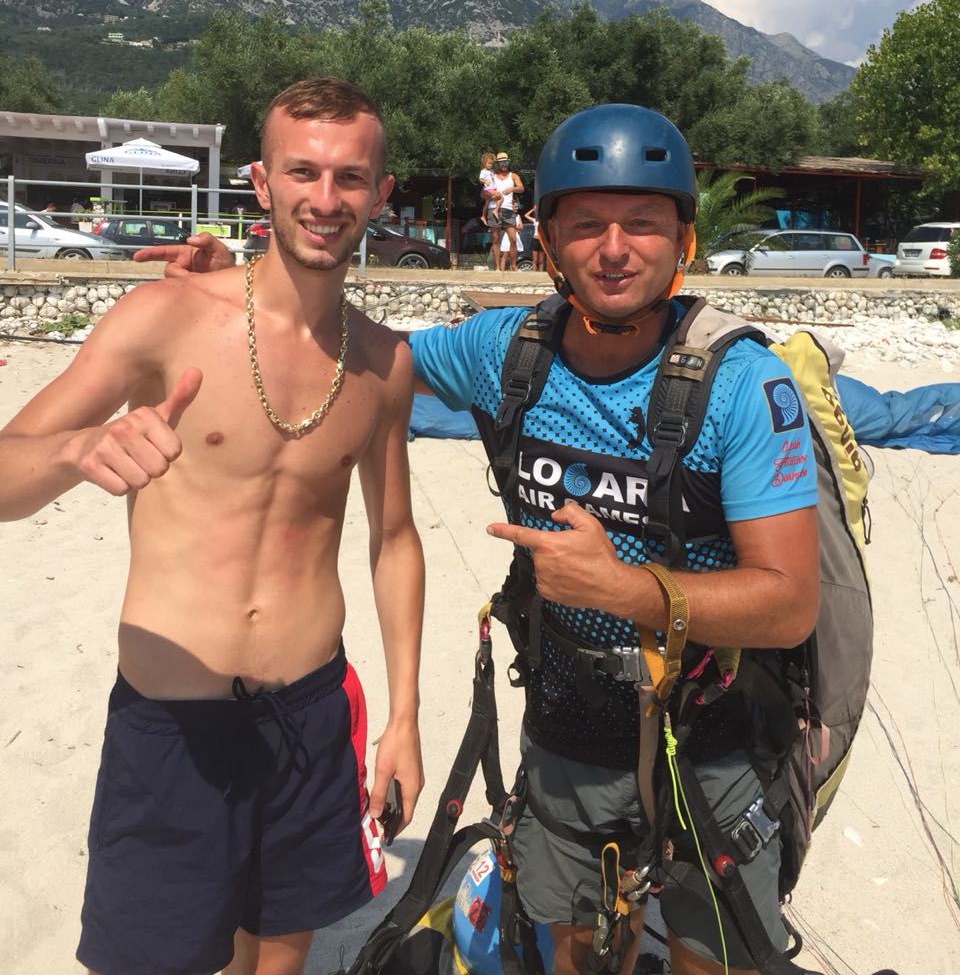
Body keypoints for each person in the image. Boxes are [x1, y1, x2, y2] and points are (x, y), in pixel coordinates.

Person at [133, 104, 819, 975]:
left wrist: (626, 590)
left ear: (682, 237)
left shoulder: (741, 385)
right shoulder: (510, 351)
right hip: (566, 727)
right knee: (567, 951)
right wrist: (241, 292)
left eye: (643, 223)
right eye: (587, 224)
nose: (615, 249)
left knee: (711, 959)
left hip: (712, 736)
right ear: (548, 240)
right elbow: (357, 356)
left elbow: (789, 604)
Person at [0, 77, 425, 975]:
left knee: (276, 960)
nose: (325, 198)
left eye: (350, 177)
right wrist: (78, 450)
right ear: (261, 182)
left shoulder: (386, 363)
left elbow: (394, 540)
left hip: (311, 715)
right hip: (172, 724)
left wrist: (404, 718)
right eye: (302, 172)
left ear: (381, 193)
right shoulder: (164, 318)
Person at [490, 152, 524, 271]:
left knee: (513, 239)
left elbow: (521, 188)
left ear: (508, 163)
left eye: (506, 162)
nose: (504, 164)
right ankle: (497, 267)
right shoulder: (492, 176)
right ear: (498, 164)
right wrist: (490, 196)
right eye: (501, 162)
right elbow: (483, 193)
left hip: (509, 210)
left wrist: (511, 189)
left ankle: (513, 265)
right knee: (495, 239)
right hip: (494, 209)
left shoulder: (513, 176)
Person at [479, 152, 503, 270]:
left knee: (487, 202)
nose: (490, 165)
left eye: (491, 163)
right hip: (489, 189)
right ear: (484, 163)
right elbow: (480, 179)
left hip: (491, 188)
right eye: (489, 163)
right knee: (500, 197)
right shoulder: (484, 171)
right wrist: (485, 182)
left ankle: (483, 216)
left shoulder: (492, 171)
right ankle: (495, 210)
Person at [522, 204, 545, 272]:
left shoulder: (545, 222)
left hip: (542, 240)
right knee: (535, 259)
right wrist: (533, 209)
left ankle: (541, 273)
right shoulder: (535, 220)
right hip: (535, 239)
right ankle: (534, 273)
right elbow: (526, 215)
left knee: (541, 260)